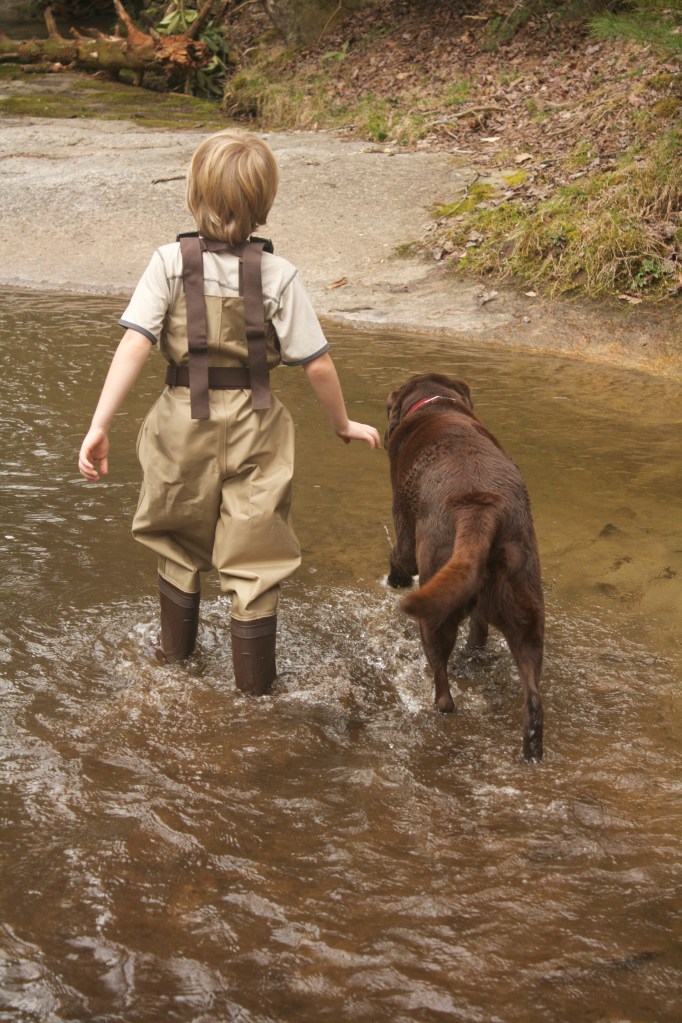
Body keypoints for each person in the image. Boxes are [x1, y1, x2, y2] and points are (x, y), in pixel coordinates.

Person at [78, 128, 381, 695]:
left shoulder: (168, 263)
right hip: (257, 424)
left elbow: (136, 344)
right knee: (257, 552)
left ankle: (172, 667)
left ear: (194, 195)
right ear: (264, 206)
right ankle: (255, 697)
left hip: (179, 422)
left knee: (175, 538)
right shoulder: (278, 274)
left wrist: (100, 425)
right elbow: (316, 363)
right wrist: (341, 424)